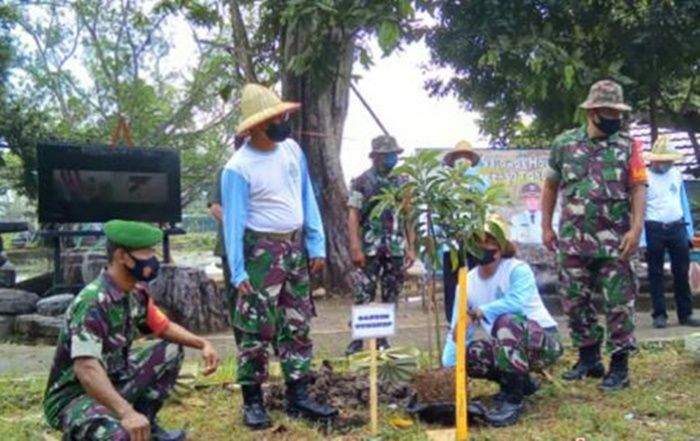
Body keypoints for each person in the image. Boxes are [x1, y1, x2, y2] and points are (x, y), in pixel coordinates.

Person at [221, 83, 338, 429]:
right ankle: (253, 401)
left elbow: (306, 198)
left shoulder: (291, 151)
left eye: (284, 114)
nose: (283, 121)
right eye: (276, 117)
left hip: (294, 248)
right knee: (256, 328)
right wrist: (238, 271)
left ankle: (298, 396)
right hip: (261, 252)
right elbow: (233, 223)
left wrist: (316, 243)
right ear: (256, 125)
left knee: (297, 322)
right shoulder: (238, 168)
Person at [43, 220, 220, 441]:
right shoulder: (92, 302)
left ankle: (146, 424)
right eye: (147, 251)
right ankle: (89, 429)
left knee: (171, 350)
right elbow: (86, 369)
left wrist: (202, 343)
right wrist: (126, 412)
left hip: (113, 377)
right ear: (122, 256)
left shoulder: (133, 293)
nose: (153, 258)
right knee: (121, 436)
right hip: (76, 396)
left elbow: (162, 327)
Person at [541, 79, 647, 392]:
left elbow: (638, 187)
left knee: (619, 304)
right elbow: (550, 186)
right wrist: (546, 226)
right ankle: (588, 358)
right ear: (592, 111)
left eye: (618, 112)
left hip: (617, 241)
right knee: (574, 301)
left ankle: (619, 366)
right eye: (608, 111)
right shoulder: (564, 144)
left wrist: (636, 227)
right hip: (573, 239)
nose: (614, 117)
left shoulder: (629, 146)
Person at [442, 217, 562, 427]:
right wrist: (448, 367)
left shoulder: (517, 270)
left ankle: (512, 399)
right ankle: (522, 382)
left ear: (500, 247)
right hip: (506, 347)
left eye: (490, 242)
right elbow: (458, 329)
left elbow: (516, 303)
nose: (484, 248)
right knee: (469, 354)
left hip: (541, 342)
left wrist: (479, 312)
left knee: (506, 322)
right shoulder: (466, 283)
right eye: (478, 242)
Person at [345, 135, 416, 355]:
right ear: (376, 156)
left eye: (394, 154)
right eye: (388, 155)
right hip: (370, 247)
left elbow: (408, 216)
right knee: (364, 292)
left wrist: (411, 247)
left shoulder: (403, 183)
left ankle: (383, 339)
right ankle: (357, 340)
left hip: (395, 247)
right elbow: (353, 214)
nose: (392, 158)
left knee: (391, 293)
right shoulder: (362, 181)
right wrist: (355, 246)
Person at [642, 135, 700, 328]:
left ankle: (685, 313)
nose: (666, 164)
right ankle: (659, 314)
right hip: (654, 228)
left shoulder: (676, 174)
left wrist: (689, 230)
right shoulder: (644, 177)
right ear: (654, 160)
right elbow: (639, 208)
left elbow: (682, 201)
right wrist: (642, 238)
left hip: (677, 227)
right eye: (663, 160)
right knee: (655, 273)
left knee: (681, 271)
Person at [441, 140, 481, 324]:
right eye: (459, 157)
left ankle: (473, 316)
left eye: (466, 157)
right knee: (452, 281)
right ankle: (452, 318)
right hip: (452, 242)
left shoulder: (480, 183)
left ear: (472, 160)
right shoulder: (445, 186)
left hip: (474, 240)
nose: (462, 161)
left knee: (474, 278)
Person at [208, 166, 242, 344]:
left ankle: (274, 343)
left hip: (262, 246)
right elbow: (215, 207)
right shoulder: (226, 170)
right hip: (231, 246)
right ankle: (243, 345)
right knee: (236, 295)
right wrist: (238, 224)